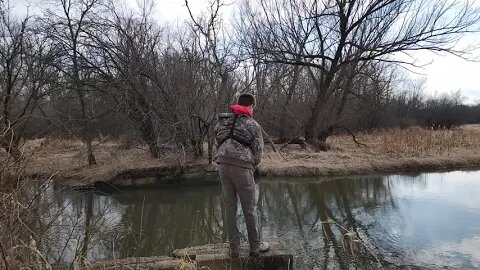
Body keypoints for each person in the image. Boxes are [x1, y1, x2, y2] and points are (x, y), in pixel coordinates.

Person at [214, 93, 269, 258]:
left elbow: (217, 142)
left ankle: (234, 249)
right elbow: (258, 151)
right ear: (251, 106)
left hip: (223, 165)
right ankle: (255, 247)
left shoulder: (222, 121)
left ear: (236, 104)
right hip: (243, 168)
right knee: (250, 208)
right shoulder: (253, 125)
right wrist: (252, 165)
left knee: (230, 208)